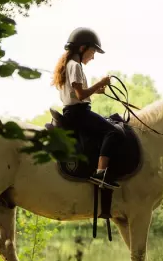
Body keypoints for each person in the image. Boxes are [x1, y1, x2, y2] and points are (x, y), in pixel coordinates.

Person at [52, 27, 121, 189]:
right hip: (79, 113)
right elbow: (81, 95)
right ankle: (101, 173)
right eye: (93, 52)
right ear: (82, 48)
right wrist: (100, 83)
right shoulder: (74, 65)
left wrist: (97, 90)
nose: (93, 57)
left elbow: (76, 94)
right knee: (113, 131)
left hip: (74, 112)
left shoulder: (70, 65)